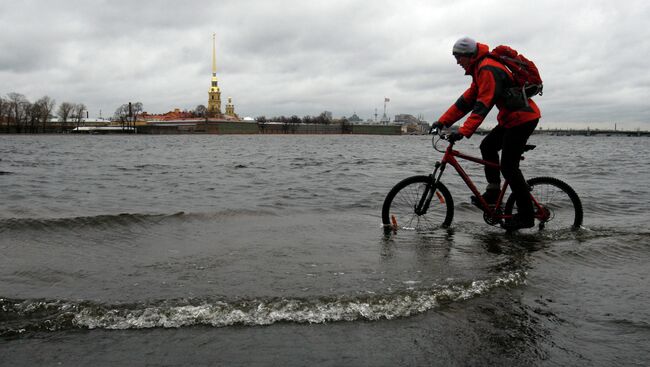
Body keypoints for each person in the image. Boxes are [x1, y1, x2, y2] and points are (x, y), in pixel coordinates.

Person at [430, 37, 541, 230]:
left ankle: (526, 216)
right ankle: (493, 192)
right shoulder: (479, 69)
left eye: (458, 57)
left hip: (523, 120)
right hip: (511, 119)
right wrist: (443, 121)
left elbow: (484, 103)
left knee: (508, 166)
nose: (457, 62)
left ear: (468, 55)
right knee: (487, 146)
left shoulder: (487, 68)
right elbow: (465, 101)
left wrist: (463, 131)